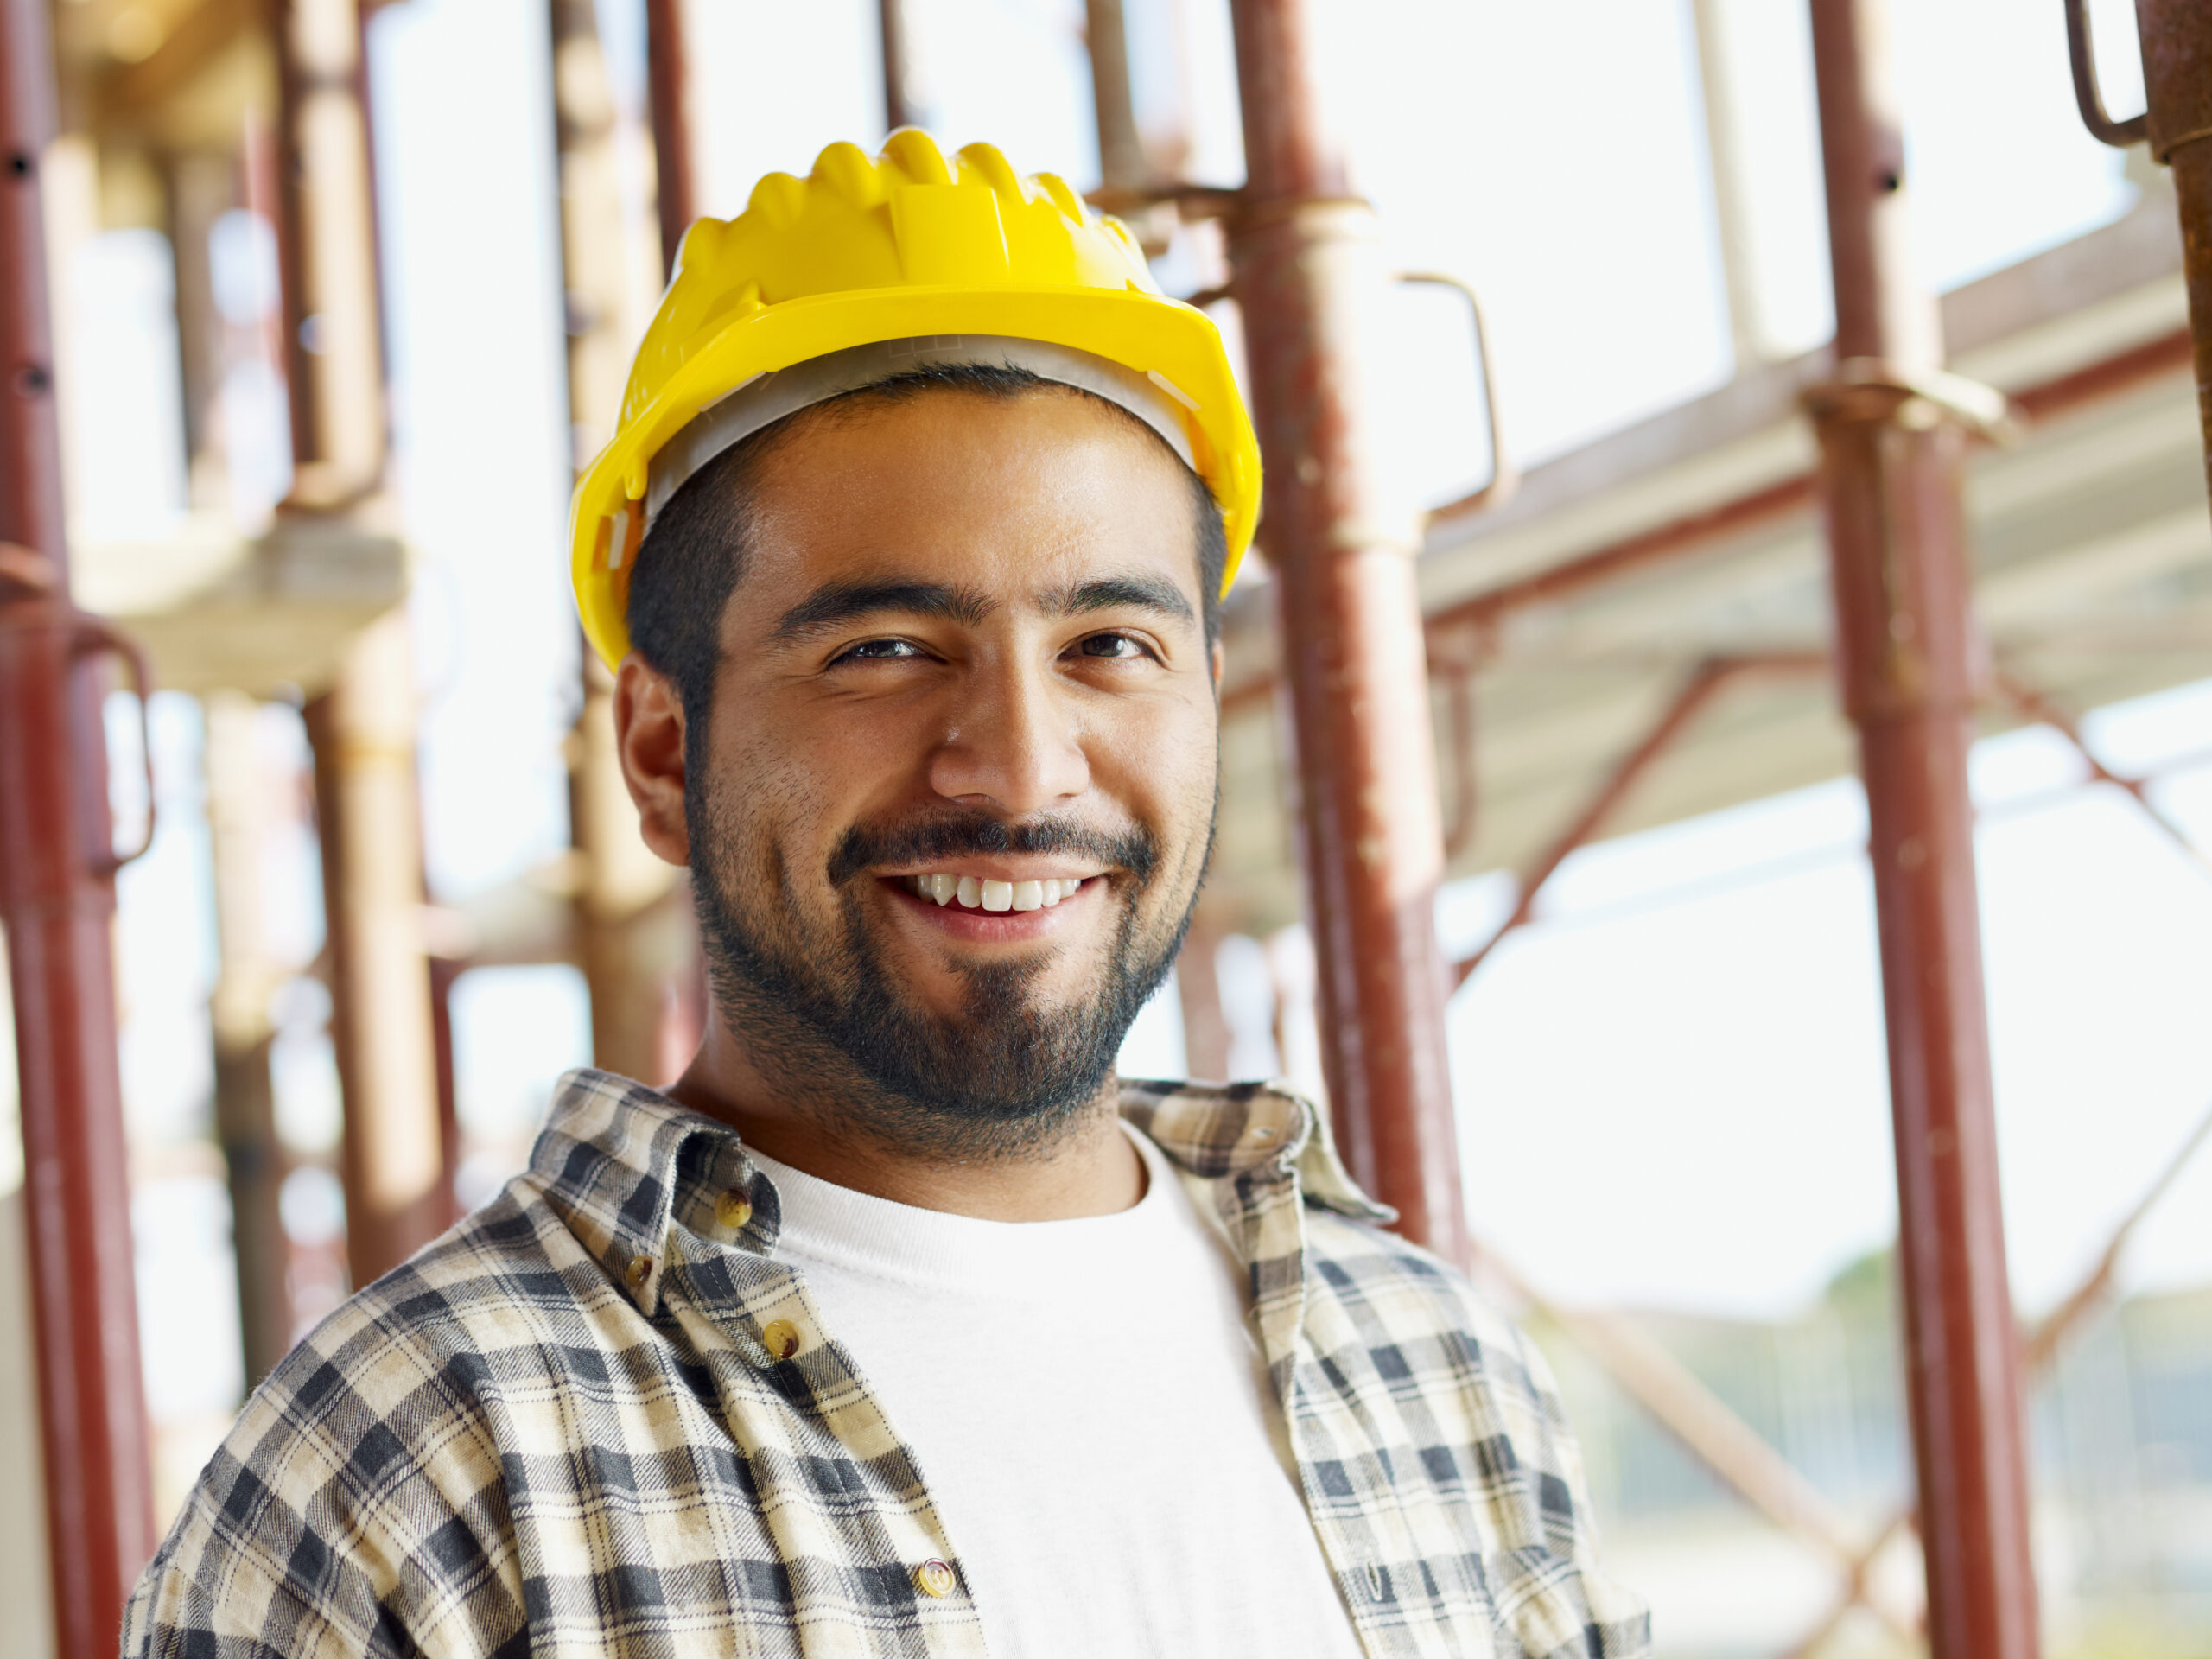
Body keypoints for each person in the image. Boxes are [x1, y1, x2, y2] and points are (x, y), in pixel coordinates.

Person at [124, 132, 1648, 1658]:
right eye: (886, 650)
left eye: (1110, 645)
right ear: (662, 752)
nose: (1019, 766)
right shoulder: (412, 1470)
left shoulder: (1435, 1367)